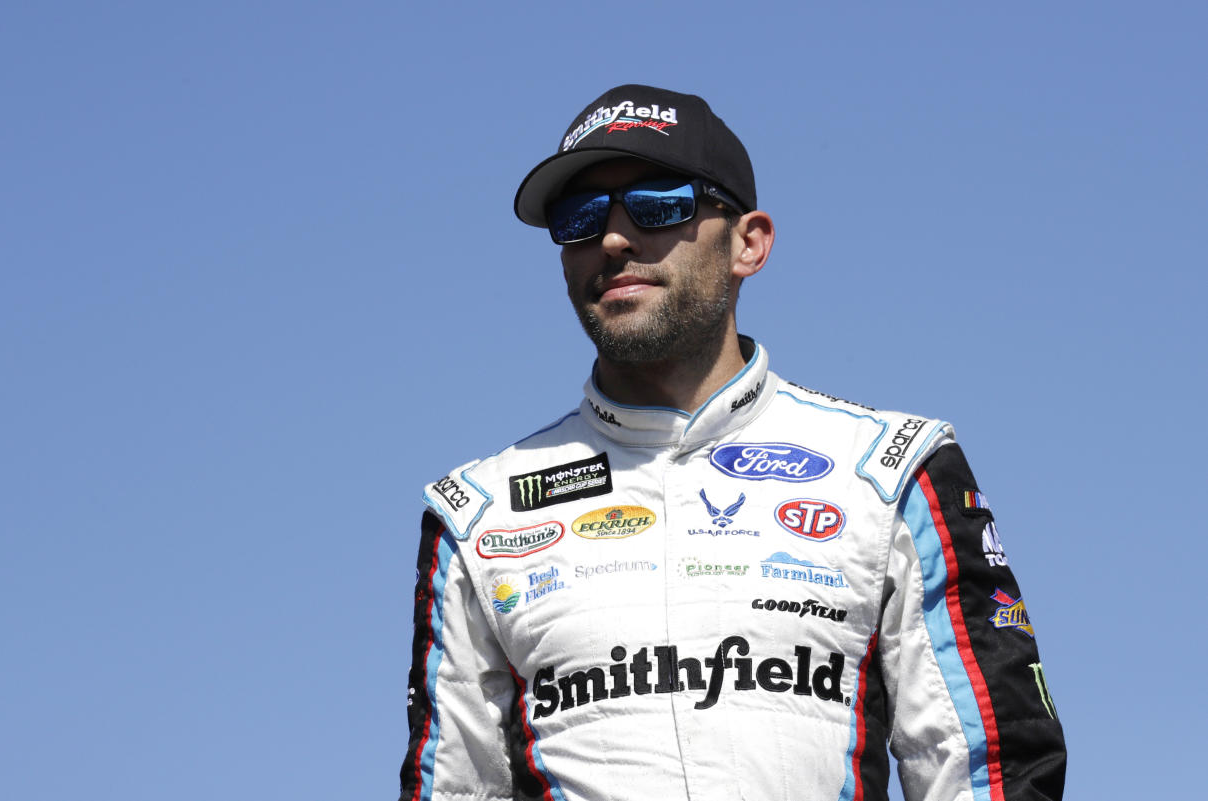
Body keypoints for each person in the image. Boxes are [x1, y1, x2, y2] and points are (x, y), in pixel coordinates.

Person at [400, 84, 1066, 801]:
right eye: (580, 217)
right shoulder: (477, 513)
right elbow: (450, 788)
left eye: (660, 204)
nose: (615, 239)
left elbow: (990, 770)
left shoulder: (893, 468)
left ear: (749, 243)